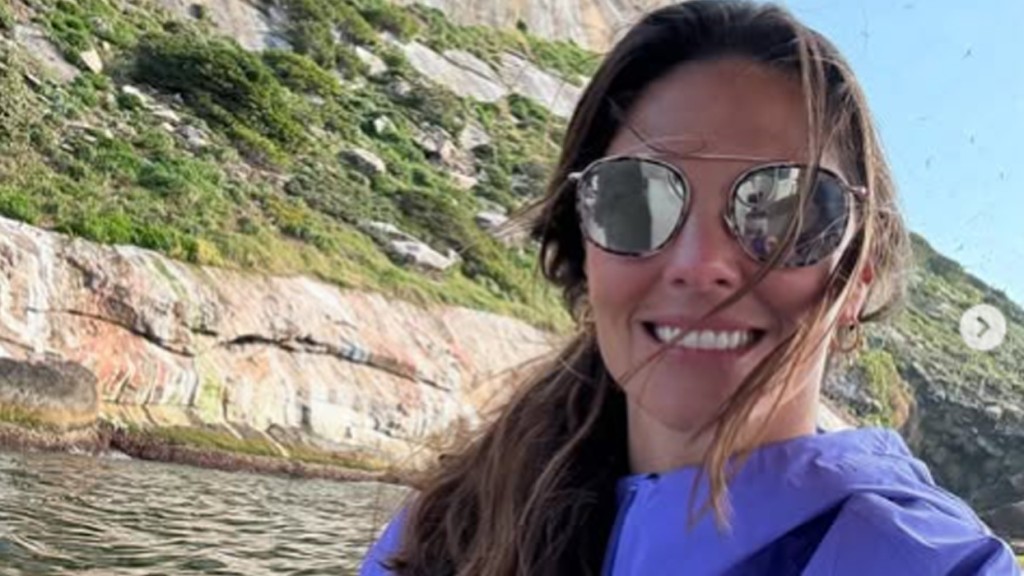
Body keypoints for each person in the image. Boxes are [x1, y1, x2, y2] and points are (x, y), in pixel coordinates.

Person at [360, 1, 1021, 574]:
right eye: (635, 200)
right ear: (585, 250)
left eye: (785, 211)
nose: (700, 263)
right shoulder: (444, 535)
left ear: (858, 277)